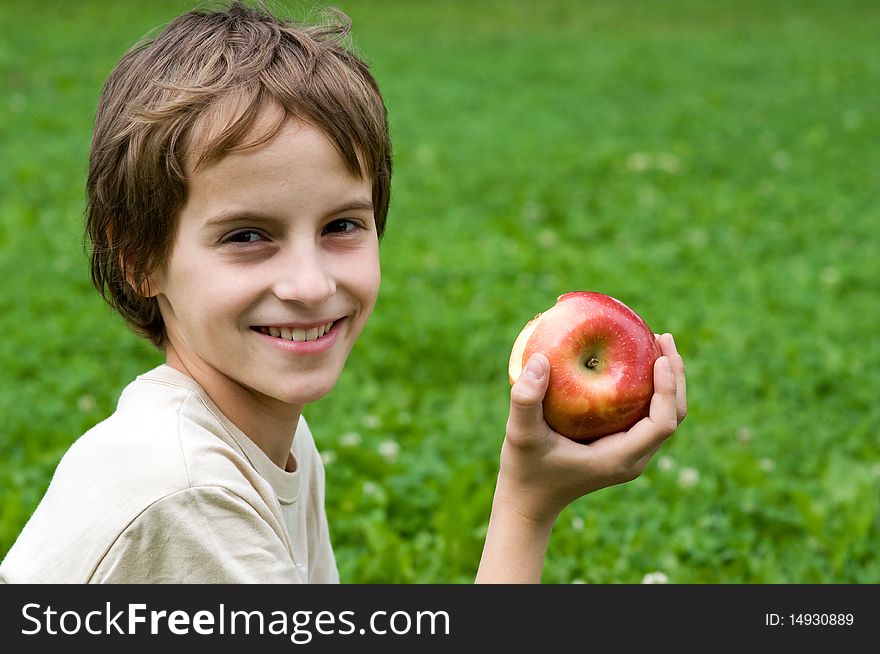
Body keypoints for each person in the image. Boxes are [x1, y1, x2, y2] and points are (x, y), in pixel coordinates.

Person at [0, 1, 686, 584]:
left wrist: (528, 487)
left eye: (341, 226)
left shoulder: (263, 438)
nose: (310, 284)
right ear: (141, 259)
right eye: (246, 236)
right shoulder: (188, 494)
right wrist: (528, 505)